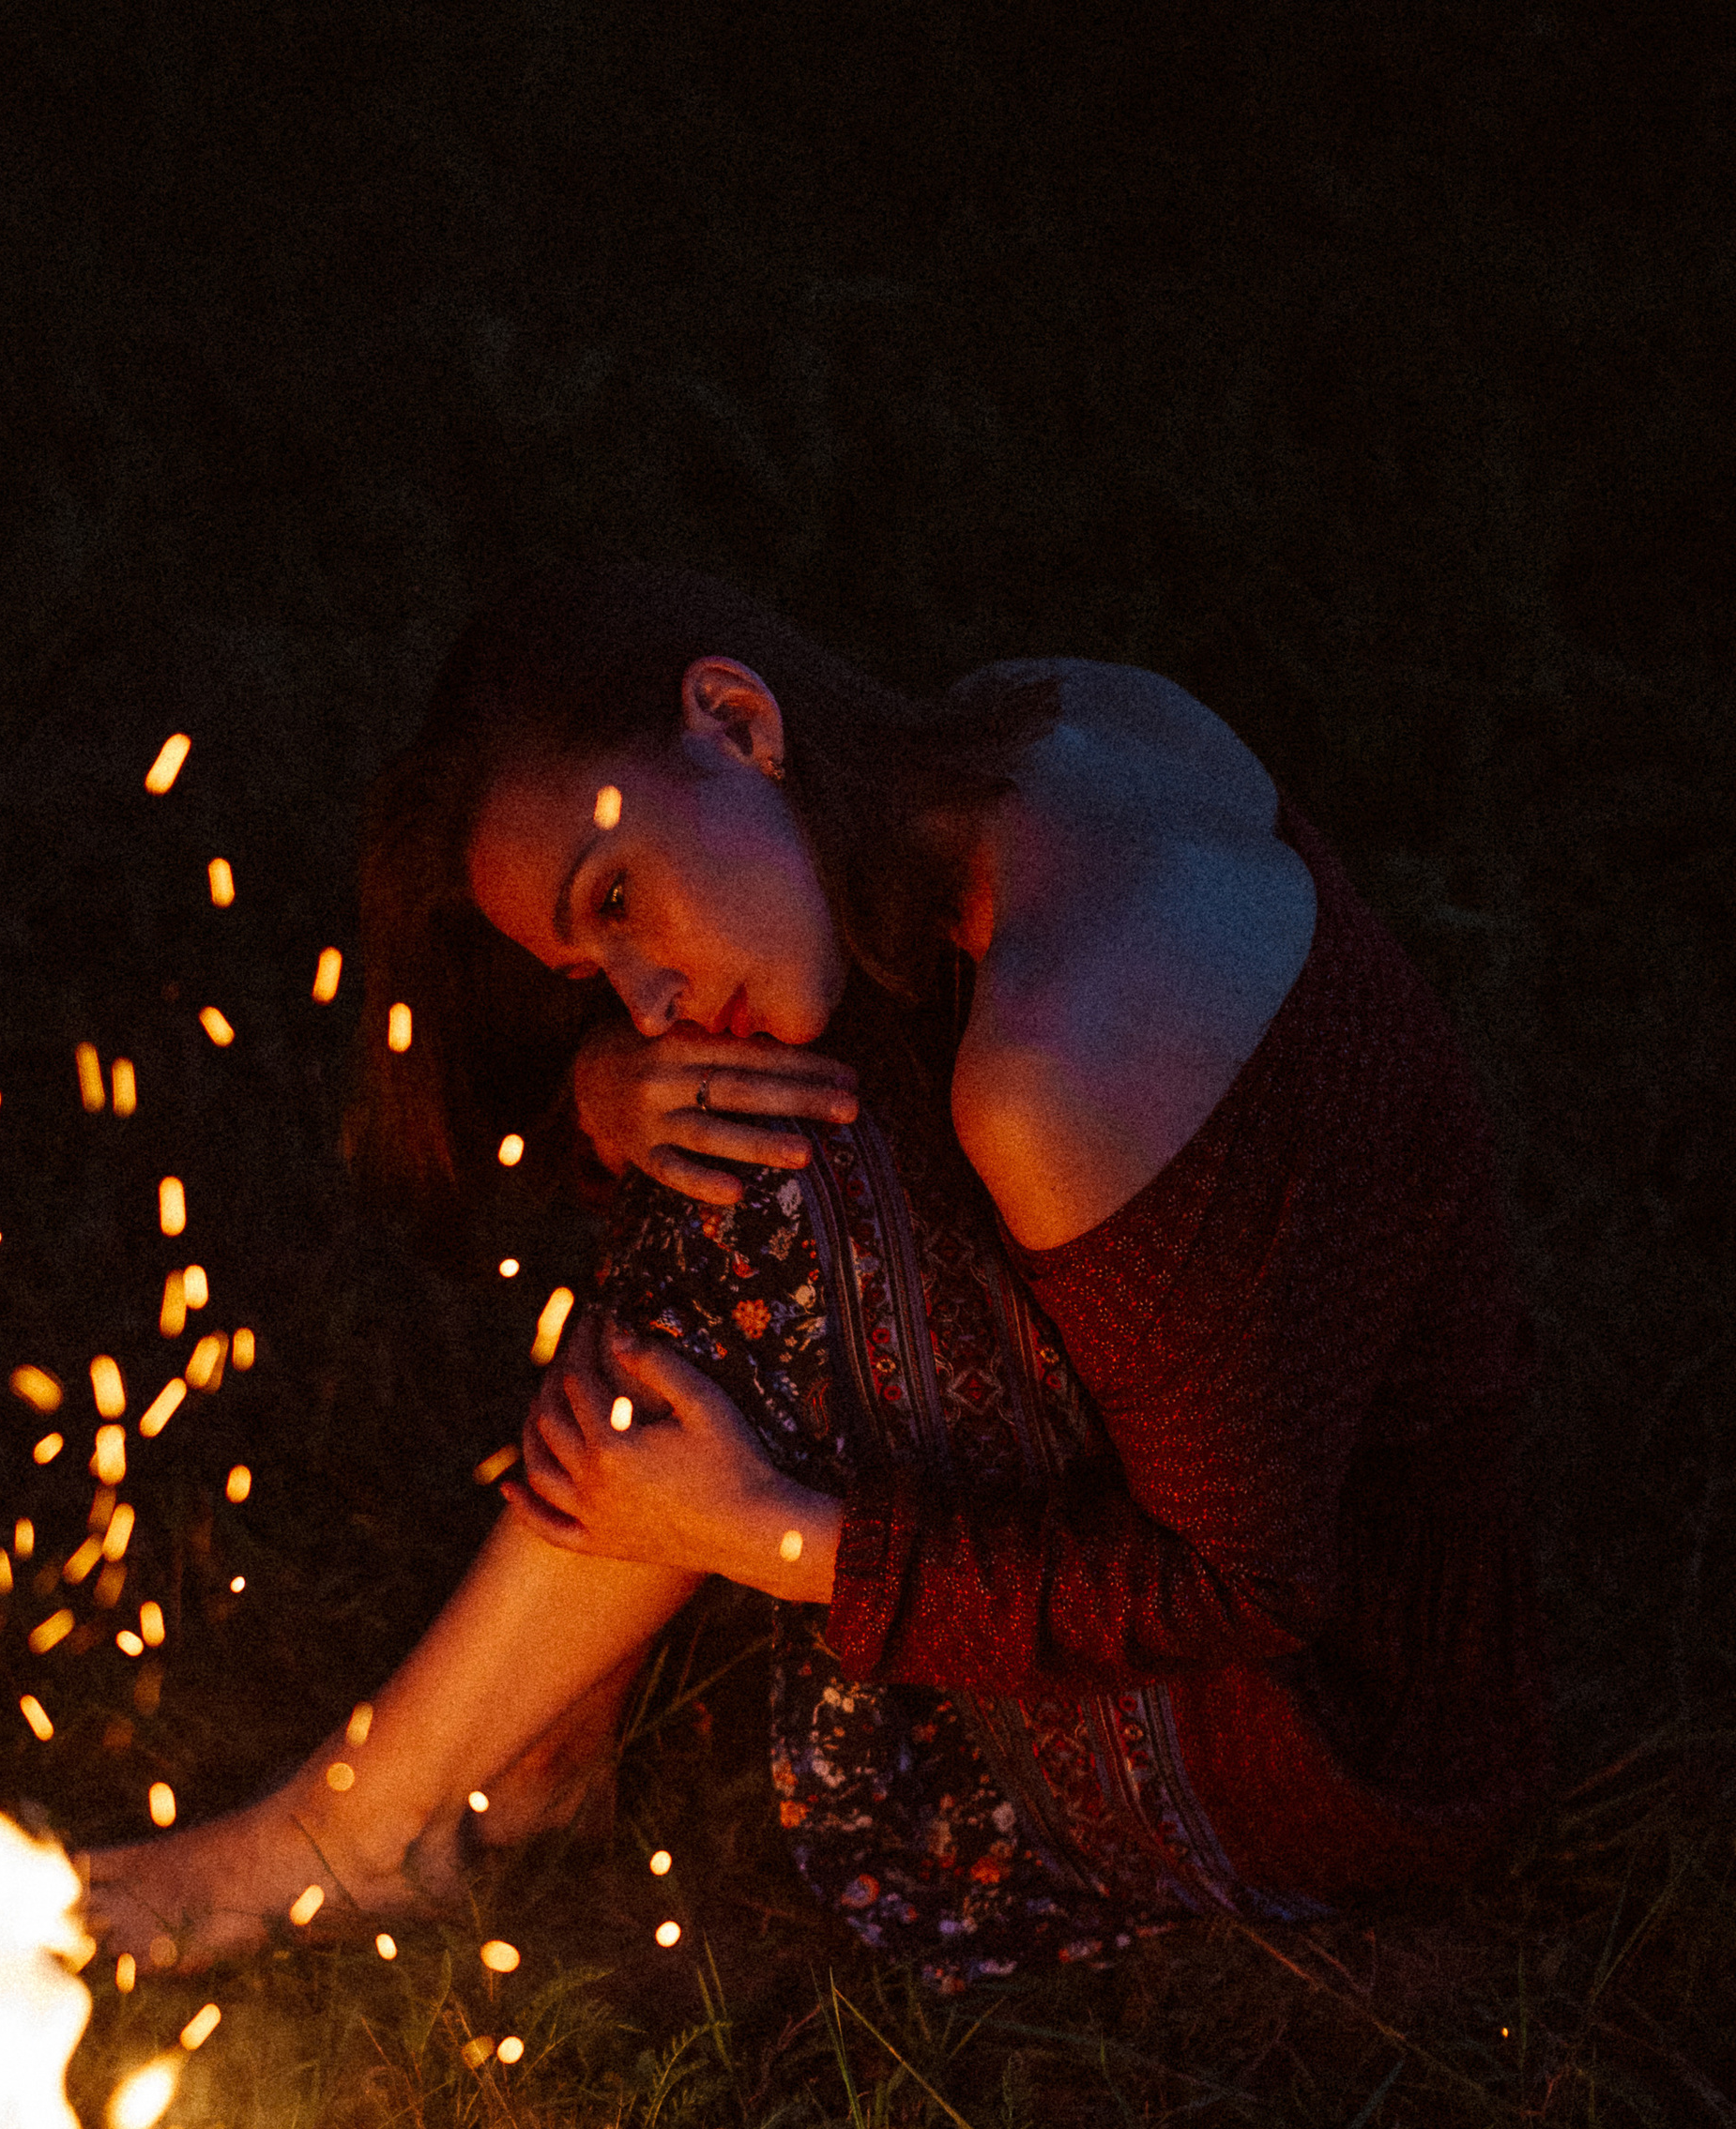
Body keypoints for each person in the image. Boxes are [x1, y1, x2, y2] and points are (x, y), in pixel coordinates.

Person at [81, 565, 1545, 1986]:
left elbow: (1245, 1590)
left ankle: (369, 1828)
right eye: (596, 976)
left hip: (1337, 1723)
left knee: (763, 1205)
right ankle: (500, 1759)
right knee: (735, 1129)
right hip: (1370, 1522)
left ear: (736, 721)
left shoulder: (1059, 1062)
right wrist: (611, 1089)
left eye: (618, 900)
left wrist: (766, 1532)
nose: (649, 995)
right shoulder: (1044, 729)